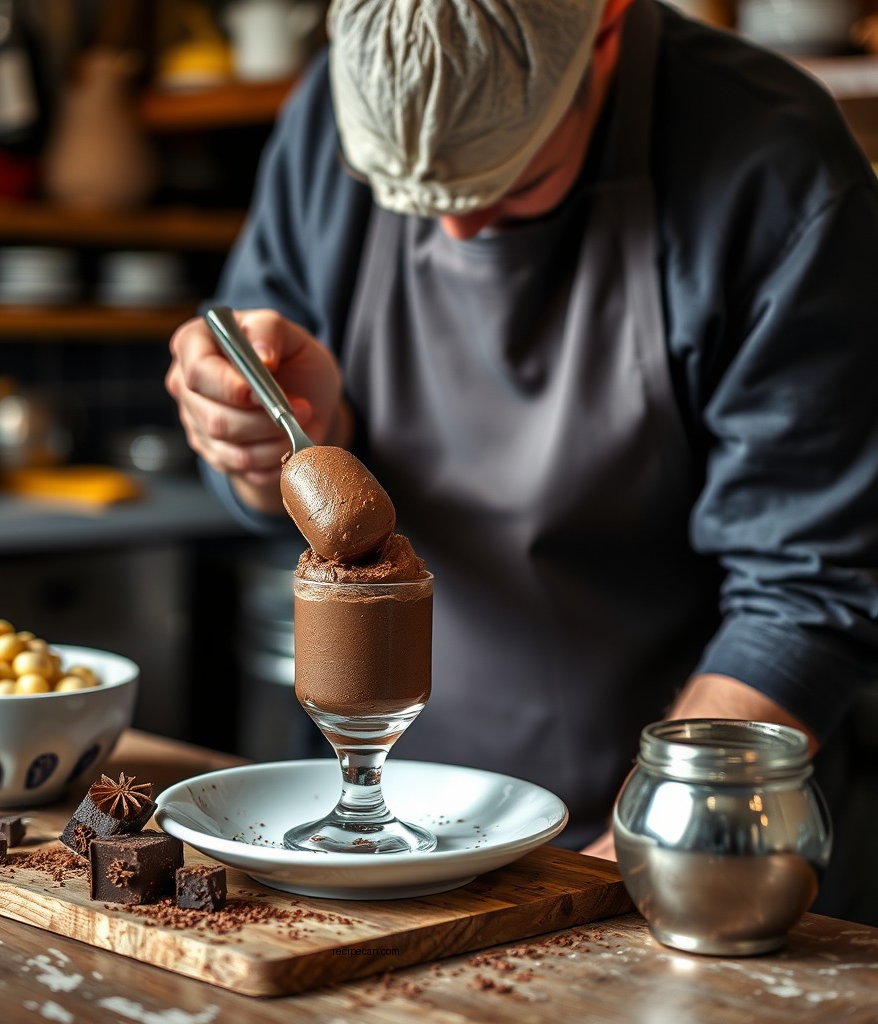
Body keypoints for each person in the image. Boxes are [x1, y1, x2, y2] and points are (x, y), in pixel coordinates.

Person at [166, 0, 878, 919]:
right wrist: (265, 435)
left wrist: (628, 860)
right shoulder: (334, 115)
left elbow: (805, 593)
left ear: (608, 26)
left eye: (513, 179)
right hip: (384, 839)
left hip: (682, 841)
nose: (457, 233)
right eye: (413, 201)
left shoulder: (777, 172)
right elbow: (265, 486)